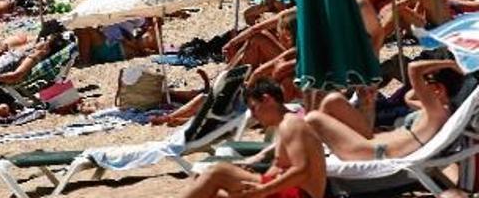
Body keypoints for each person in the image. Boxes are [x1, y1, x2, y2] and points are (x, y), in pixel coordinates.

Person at [179, 79, 327, 198]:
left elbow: (302, 170)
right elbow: (280, 166)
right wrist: (253, 175)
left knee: (218, 172)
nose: (254, 116)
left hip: (301, 193)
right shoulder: (284, 124)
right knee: (208, 187)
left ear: (267, 99)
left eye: (254, 107)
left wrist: (263, 190)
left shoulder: (291, 124)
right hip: (288, 189)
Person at [306, 59, 463, 161]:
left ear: (438, 89)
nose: (424, 85)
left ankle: (309, 159)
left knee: (313, 117)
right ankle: (315, 150)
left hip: (368, 151)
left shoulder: (437, 111)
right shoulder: (437, 110)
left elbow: (413, 68)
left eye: (428, 82)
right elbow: (409, 97)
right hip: (370, 141)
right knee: (334, 100)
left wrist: (449, 63)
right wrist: (432, 84)